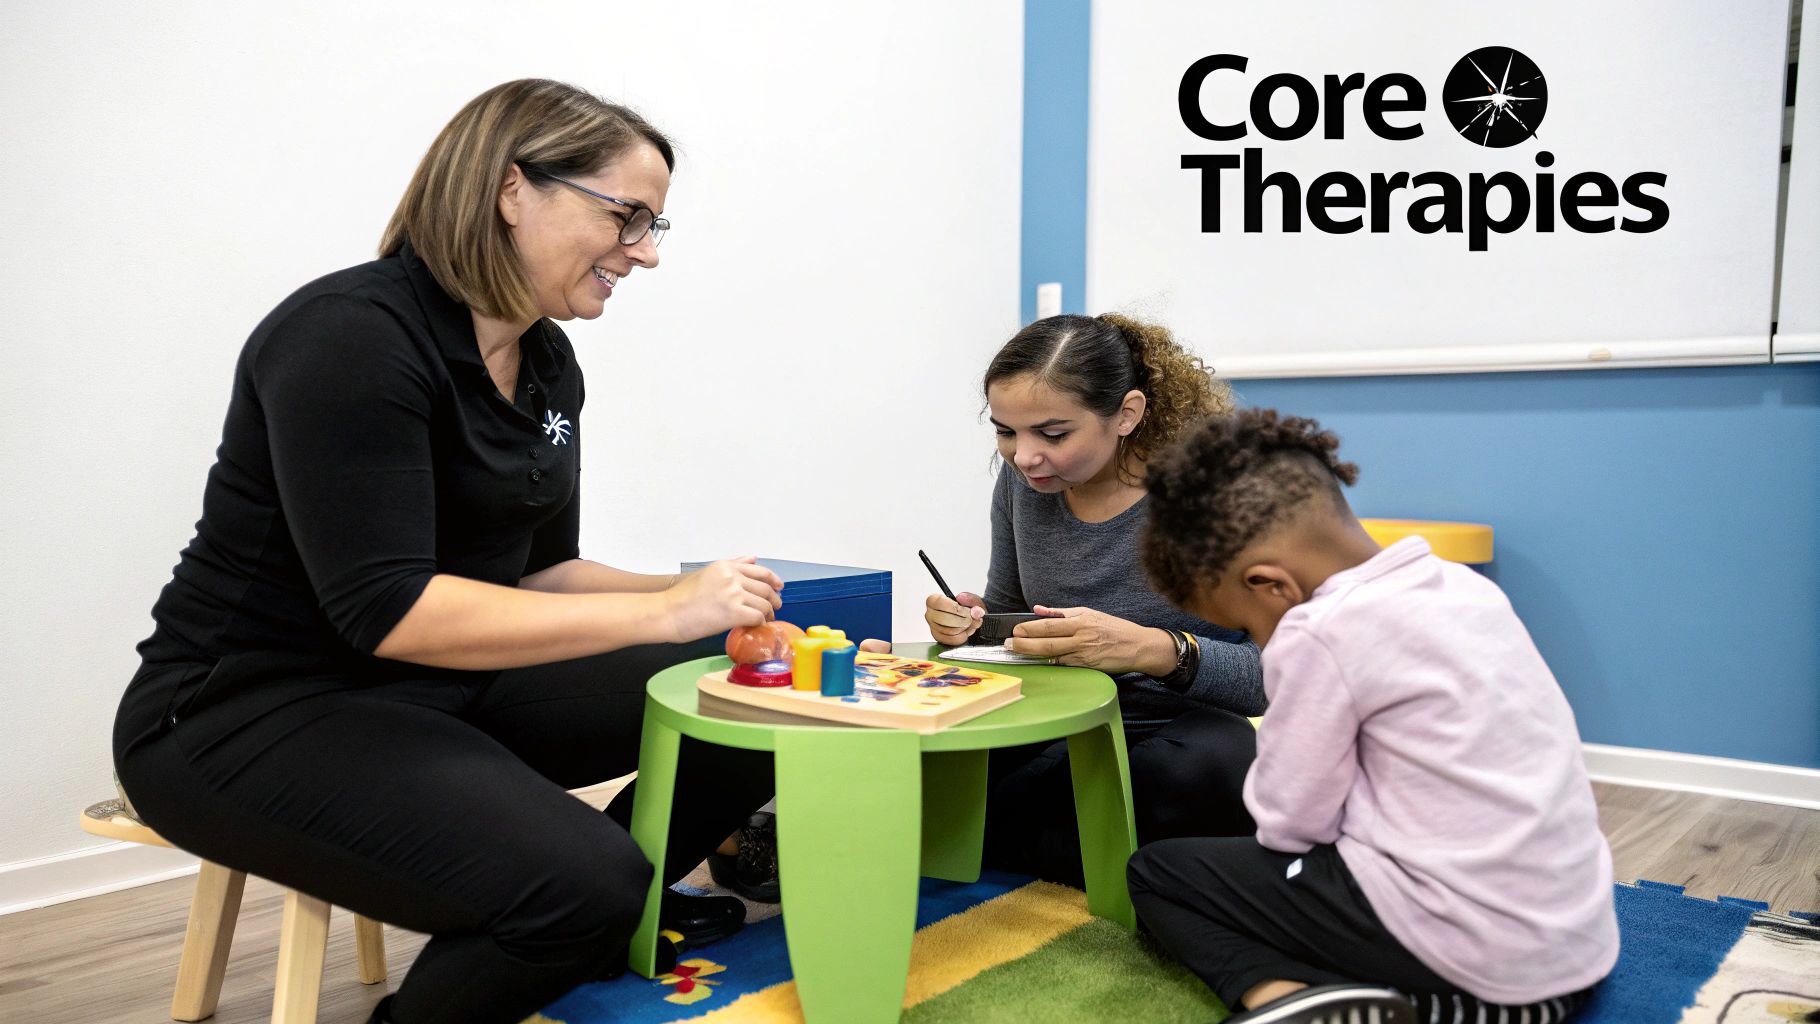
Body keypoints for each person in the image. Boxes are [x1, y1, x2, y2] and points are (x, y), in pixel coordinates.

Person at [110, 79, 782, 1024]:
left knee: (746, 696)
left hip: (437, 686)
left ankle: (605, 918)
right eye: (626, 216)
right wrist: (662, 610)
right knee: (582, 885)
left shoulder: (546, 360)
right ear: (513, 189)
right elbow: (388, 611)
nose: (644, 252)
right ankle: (580, 909)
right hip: (247, 714)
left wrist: (714, 601)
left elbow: (541, 570)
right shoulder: (351, 336)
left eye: (653, 226)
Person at [1126, 409, 1618, 1024]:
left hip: (1482, 957)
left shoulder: (1320, 630)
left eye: (1247, 627)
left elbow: (1289, 823)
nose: (1260, 642)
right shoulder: (1464, 588)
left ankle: (1277, 997)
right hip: (1574, 946)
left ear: (1271, 585)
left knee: (1158, 873)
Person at [920, 313, 1267, 886]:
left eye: (1053, 435)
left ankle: (993, 840)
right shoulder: (1023, 485)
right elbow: (1008, 617)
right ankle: (1091, 848)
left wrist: (1155, 650)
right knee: (921, 748)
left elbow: (1285, 676)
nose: (1024, 457)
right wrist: (970, 623)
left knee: (1213, 764)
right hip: (1055, 719)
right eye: (1006, 432)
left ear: (1126, 414)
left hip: (1175, 733)